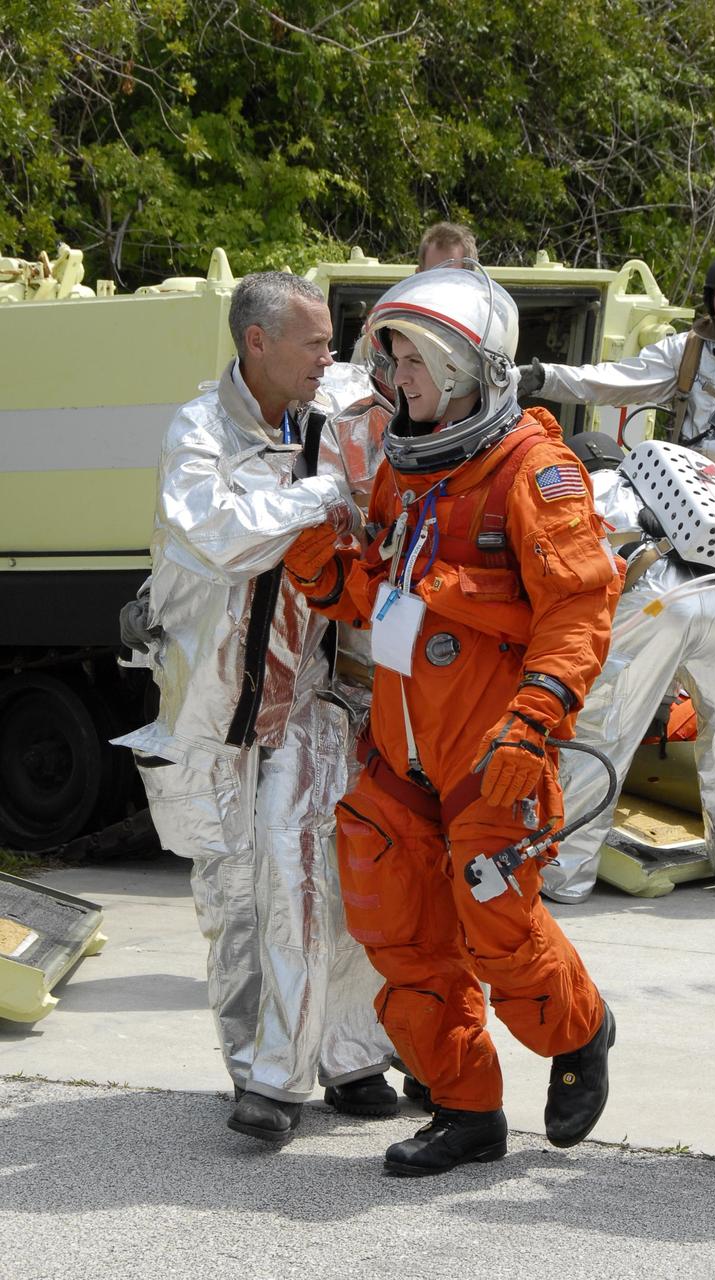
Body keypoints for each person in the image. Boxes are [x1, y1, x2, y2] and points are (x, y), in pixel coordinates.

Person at [282, 265, 621, 1176]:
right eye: (387, 358)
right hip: (402, 752)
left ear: (469, 367)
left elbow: (578, 608)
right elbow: (391, 599)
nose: (396, 377)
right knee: (401, 936)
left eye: (412, 358)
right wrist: (329, 574)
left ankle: (579, 1031)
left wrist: (535, 721)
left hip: (491, 752)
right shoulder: (405, 469)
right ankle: (467, 1111)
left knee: (497, 934)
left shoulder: (533, 472)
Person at [113, 272, 395, 1145]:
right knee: (232, 901)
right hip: (210, 713)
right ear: (257, 344)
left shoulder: (337, 403)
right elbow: (220, 533)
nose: (329, 356)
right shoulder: (198, 432)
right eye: (313, 341)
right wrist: (322, 493)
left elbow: (410, 406)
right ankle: (254, 1072)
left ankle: (329, 1061)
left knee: (313, 884)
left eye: (333, 340)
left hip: (308, 699)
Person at [519, 247, 715, 667]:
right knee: (673, 606)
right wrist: (546, 377)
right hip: (692, 509)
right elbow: (614, 380)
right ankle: (669, 712)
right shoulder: (688, 350)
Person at [542, 435, 715, 903]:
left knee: (603, 736)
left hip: (657, 603)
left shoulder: (598, 485)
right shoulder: (681, 498)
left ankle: (566, 877)